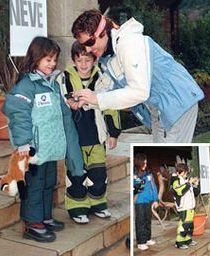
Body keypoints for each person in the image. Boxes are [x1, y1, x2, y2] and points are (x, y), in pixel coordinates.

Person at [71, 9, 204, 143]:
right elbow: (106, 90)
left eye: (89, 43)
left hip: (178, 101)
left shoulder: (130, 44)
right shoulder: (108, 56)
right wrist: (86, 101)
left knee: (167, 152)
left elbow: (139, 92)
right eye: (83, 45)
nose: (87, 50)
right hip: (159, 109)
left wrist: (96, 99)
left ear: (103, 33)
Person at [2, 36, 83, 242]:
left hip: (50, 148)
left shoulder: (53, 83)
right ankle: (32, 223)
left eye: (54, 59)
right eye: (48, 60)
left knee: (49, 183)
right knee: (35, 186)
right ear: (36, 58)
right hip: (35, 150)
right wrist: (23, 143)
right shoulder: (27, 86)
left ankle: (44, 217)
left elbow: (58, 111)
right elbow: (18, 114)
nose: (52, 64)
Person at [59, 41, 121, 224]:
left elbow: (111, 107)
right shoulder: (64, 79)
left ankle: (98, 204)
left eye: (88, 60)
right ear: (73, 61)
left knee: (98, 172)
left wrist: (114, 133)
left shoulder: (102, 78)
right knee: (76, 173)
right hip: (74, 137)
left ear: (94, 59)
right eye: (79, 60)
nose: (84, 64)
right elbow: (62, 104)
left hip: (96, 135)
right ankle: (77, 207)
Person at [170, 163, 200, 249]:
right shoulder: (176, 180)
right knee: (183, 224)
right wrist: (189, 183)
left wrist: (196, 184)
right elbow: (180, 191)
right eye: (186, 172)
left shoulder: (185, 180)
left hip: (190, 206)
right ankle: (179, 242)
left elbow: (195, 193)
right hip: (183, 206)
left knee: (190, 224)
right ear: (182, 172)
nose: (187, 174)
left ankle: (187, 239)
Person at [134, 153, 158, 251]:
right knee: (140, 221)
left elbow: (154, 187)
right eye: (143, 163)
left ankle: (147, 238)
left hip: (148, 201)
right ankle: (141, 242)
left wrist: (155, 200)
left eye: (146, 163)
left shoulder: (149, 174)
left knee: (148, 220)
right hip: (139, 201)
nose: (145, 165)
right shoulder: (134, 175)